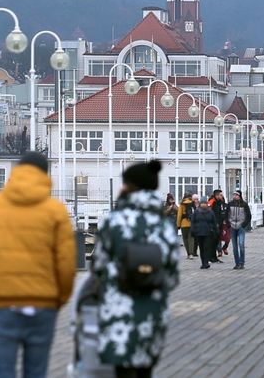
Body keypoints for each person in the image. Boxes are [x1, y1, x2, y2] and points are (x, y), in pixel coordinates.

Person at [0, 153, 75, 378]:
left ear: (16, 171)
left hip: (1, 303)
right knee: (36, 372)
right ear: (45, 174)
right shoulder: (56, 211)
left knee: (1, 371)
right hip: (43, 303)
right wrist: (58, 299)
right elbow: (66, 264)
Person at [91, 160, 180, 378]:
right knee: (144, 369)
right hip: (152, 308)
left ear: (129, 186)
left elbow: (98, 266)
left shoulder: (113, 221)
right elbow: (172, 275)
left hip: (117, 308)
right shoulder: (164, 225)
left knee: (121, 369)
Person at [189, 195, 218, 269]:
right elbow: (193, 222)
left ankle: (206, 262)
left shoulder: (210, 212)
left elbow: (214, 222)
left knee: (206, 248)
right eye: (202, 203)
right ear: (200, 204)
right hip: (199, 233)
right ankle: (203, 263)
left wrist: (216, 231)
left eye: (205, 203)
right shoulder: (196, 212)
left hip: (208, 233)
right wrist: (192, 231)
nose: (203, 204)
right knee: (201, 248)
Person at [227, 190, 253, 270]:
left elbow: (248, 215)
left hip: (241, 226)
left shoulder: (244, 204)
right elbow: (226, 214)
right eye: (234, 195)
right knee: (235, 247)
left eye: (236, 195)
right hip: (232, 226)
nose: (235, 196)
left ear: (240, 196)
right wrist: (229, 224)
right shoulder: (230, 204)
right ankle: (237, 263)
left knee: (241, 244)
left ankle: (242, 262)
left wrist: (243, 225)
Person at [177, 193, 198, 259]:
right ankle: (192, 253)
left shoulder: (182, 204)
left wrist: (178, 225)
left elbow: (179, 215)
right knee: (191, 239)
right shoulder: (192, 203)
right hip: (191, 223)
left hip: (183, 224)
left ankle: (188, 254)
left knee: (185, 239)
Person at [210, 190, 229, 259]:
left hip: (222, 222)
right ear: (216, 195)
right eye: (220, 195)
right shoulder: (212, 202)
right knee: (217, 238)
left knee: (226, 237)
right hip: (214, 223)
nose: (222, 196)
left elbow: (224, 211)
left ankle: (222, 249)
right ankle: (219, 251)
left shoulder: (222, 202)